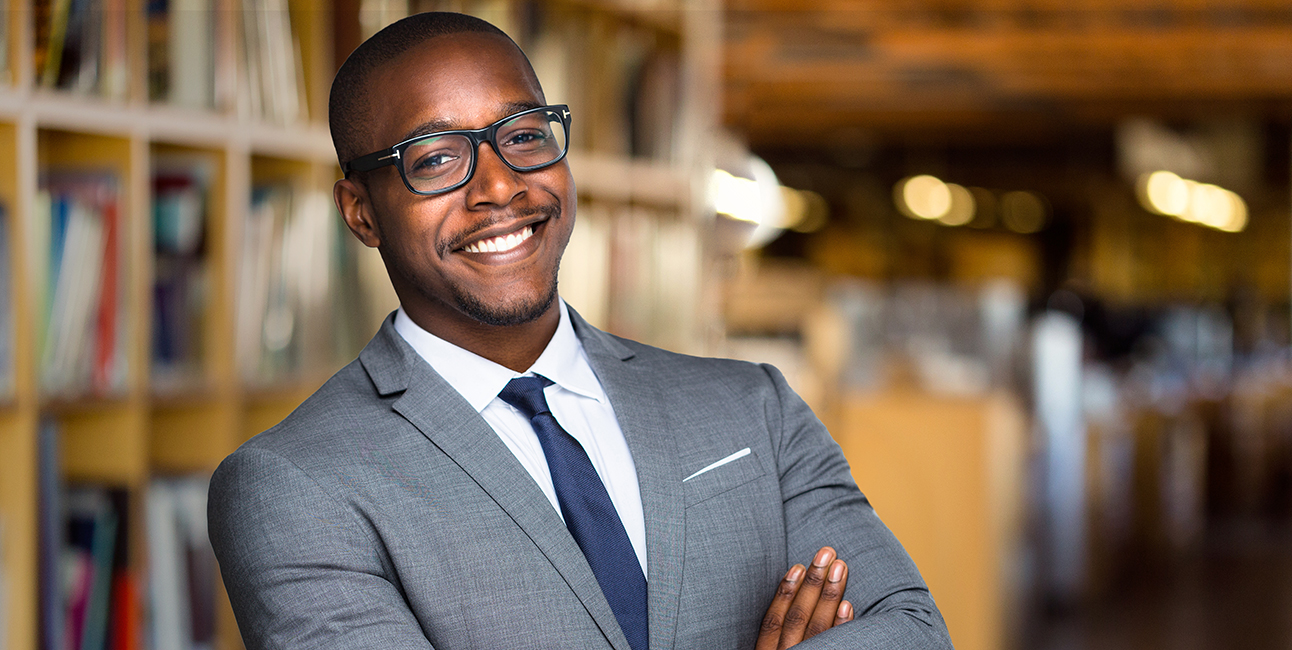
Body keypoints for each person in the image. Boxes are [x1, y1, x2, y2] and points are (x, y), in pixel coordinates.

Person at [207, 12, 951, 650]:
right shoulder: (291, 488)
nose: (498, 185)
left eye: (523, 136)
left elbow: (912, 629)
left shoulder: (753, 408)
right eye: (435, 158)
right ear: (360, 212)